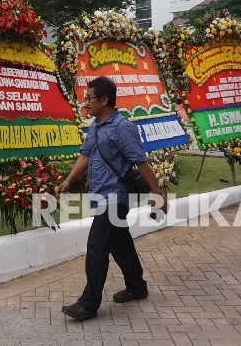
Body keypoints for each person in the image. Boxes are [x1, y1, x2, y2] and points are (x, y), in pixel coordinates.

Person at [56, 76, 168, 322]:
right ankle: (137, 286)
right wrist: (68, 180)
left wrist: (157, 195)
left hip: (115, 197)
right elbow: (85, 156)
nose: (85, 102)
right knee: (119, 243)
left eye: (89, 98)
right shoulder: (96, 126)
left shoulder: (122, 128)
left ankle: (89, 303)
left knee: (97, 246)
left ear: (104, 100)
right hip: (100, 195)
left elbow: (141, 162)